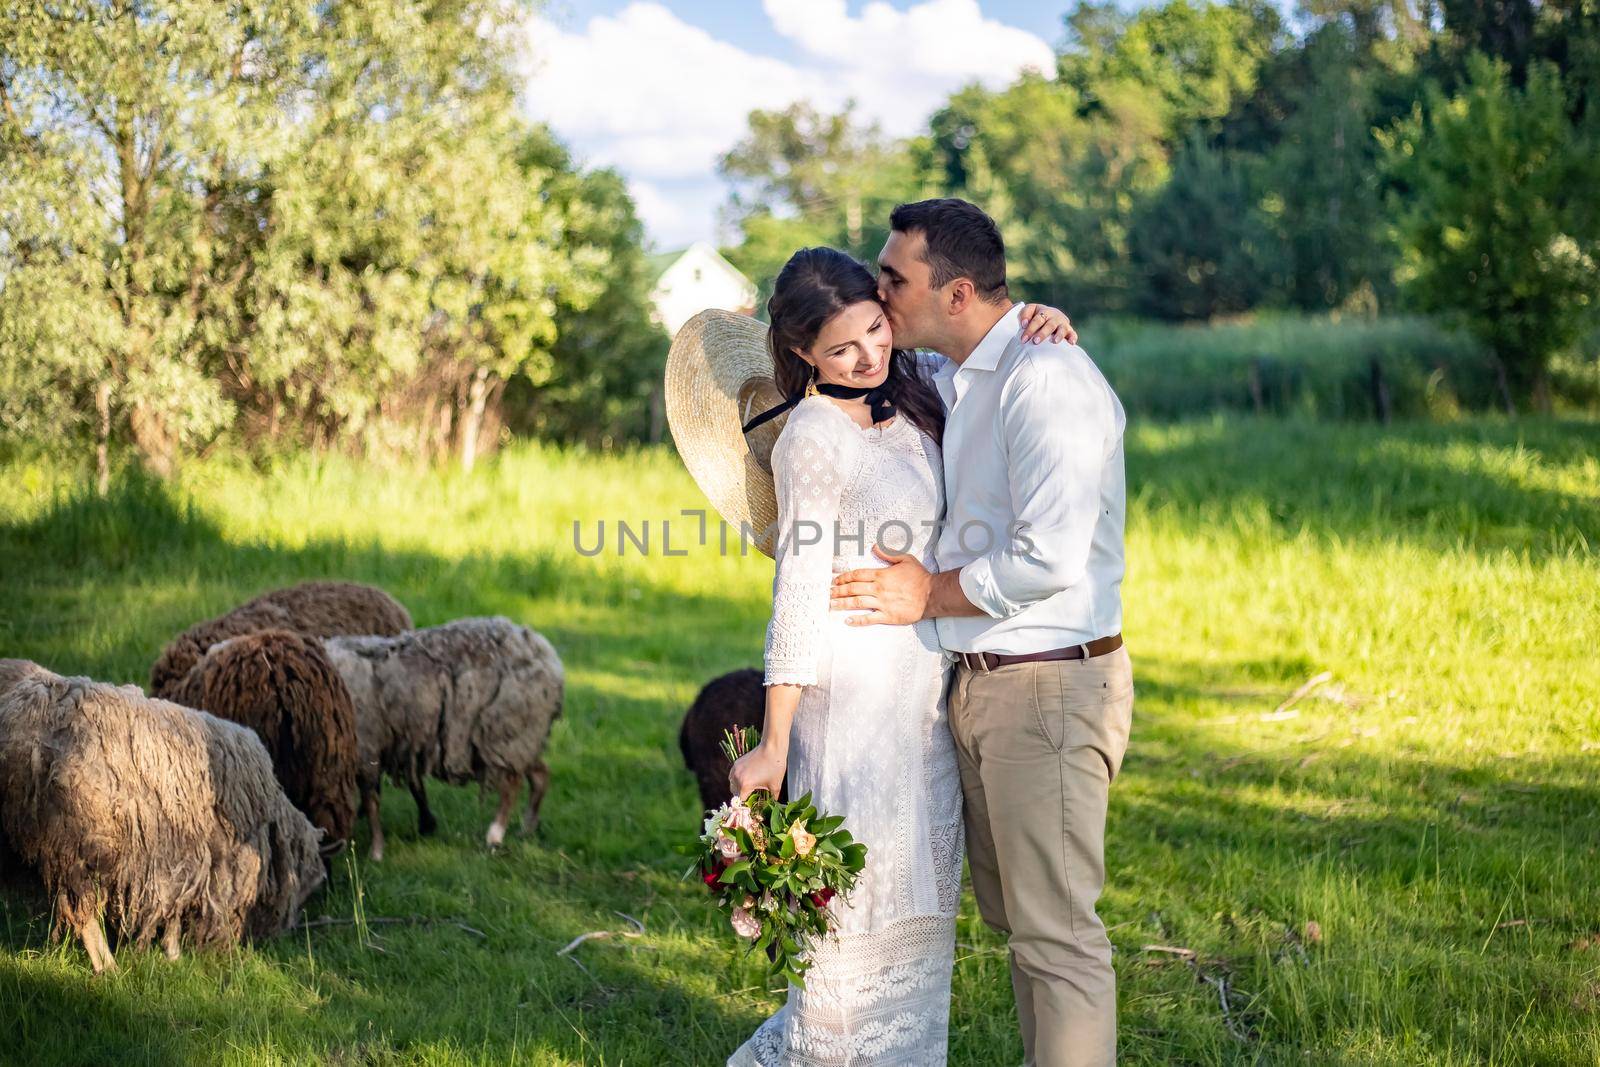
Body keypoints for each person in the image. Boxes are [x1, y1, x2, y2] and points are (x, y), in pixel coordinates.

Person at [725, 246, 1073, 1066]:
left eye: (876, 329)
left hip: (920, 703)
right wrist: (773, 743)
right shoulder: (810, 436)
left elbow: (983, 350)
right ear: (803, 353)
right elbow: (798, 590)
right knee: (847, 945)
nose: (869, 354)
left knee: (916, 939)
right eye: (843, 348)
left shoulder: (912, 388)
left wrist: (1039, 322)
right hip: (847, 708)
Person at [829, 198, 1133, 1067]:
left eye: (895, 279)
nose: (878, 294)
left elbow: (1048, 556)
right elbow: (847, 350)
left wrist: (927, 592)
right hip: (986, 683)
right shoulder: (961, 368)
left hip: (1048, 684)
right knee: (1021, 925)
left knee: (1058, 936)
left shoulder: (1048, 380)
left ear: (956, 292)